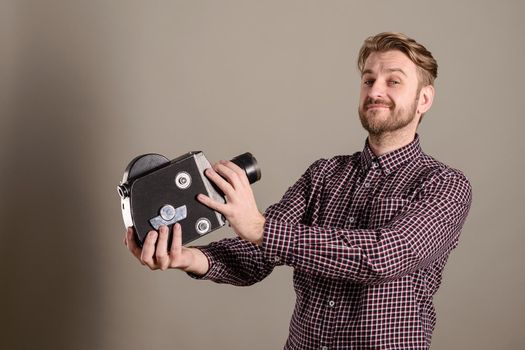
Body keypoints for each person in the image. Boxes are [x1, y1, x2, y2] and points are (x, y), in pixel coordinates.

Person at [124, 32, 472, 349]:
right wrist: (188, 258)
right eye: (368, 80)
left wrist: (261, 228)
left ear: (424, 99)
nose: (375, 91)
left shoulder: (444, 185)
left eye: (393, 81)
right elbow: (258, 254)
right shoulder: (323, 174)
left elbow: (382, 257)